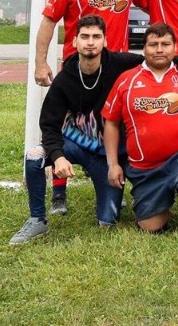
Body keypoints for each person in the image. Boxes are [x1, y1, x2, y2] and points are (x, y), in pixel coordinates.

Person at [34, 0, 150, 215]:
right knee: (65, 124)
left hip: (115, 70)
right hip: (77, 68)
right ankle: (59, 192)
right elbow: (49, 20)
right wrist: (40, 62)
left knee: (117, 124)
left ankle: (118, 180)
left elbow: (157, 1)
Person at [11, 16, 146, 244]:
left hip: (106, 153)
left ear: (105, 40)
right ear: (75, 41)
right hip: (75, 143)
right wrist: (58, 156)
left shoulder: (121, 63)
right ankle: (37, 220)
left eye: (96, 37)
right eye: (85, 37)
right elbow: (49, 125)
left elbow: (158, 58)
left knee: (108, 222)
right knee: (34, 156)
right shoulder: (65, 79)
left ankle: (113, 197)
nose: (90, 42)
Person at [101, 23, 178, 233]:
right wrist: (113, 164)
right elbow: (111, 122)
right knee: (151, 228)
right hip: (145, 169)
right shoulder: (126, 80)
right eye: (153, 44)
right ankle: (160, 199)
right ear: (144, 49)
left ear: (175, 49)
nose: (159, 49)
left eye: (165, 44)